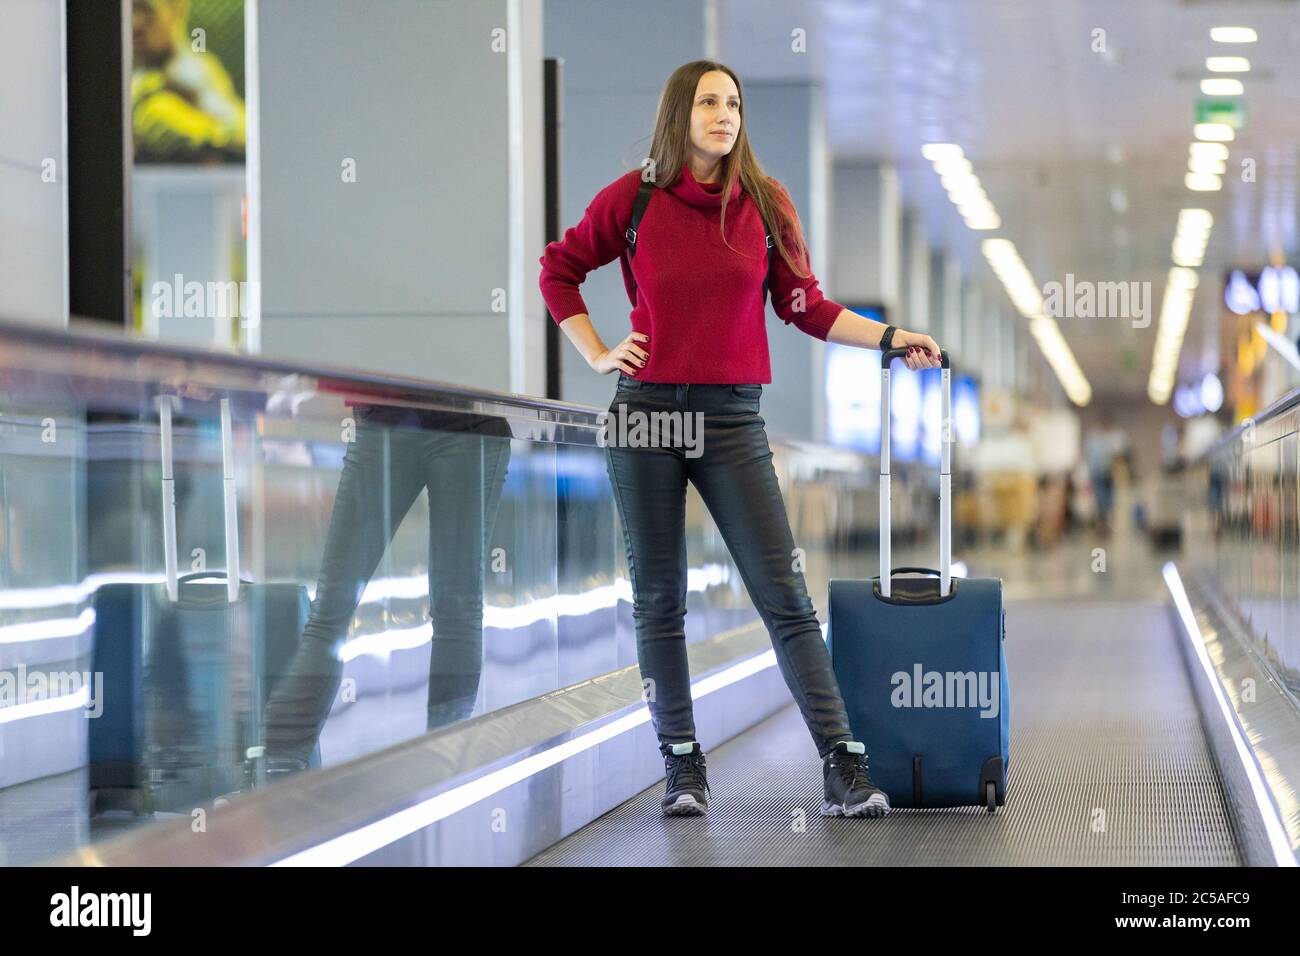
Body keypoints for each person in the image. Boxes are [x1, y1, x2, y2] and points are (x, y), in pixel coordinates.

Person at [538, 60, 941, 818]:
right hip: (646, 414)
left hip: (730, 417)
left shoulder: (764, 202)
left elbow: (805, 306)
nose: (725, 114)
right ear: (679, 114)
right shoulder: (634, 198)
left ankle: (841, 764)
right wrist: (595, 351)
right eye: (709, 101)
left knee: (783, 594)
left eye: (734, 103)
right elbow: (558, 270)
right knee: (660, 600)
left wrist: (889, 337)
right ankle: (683, 767)